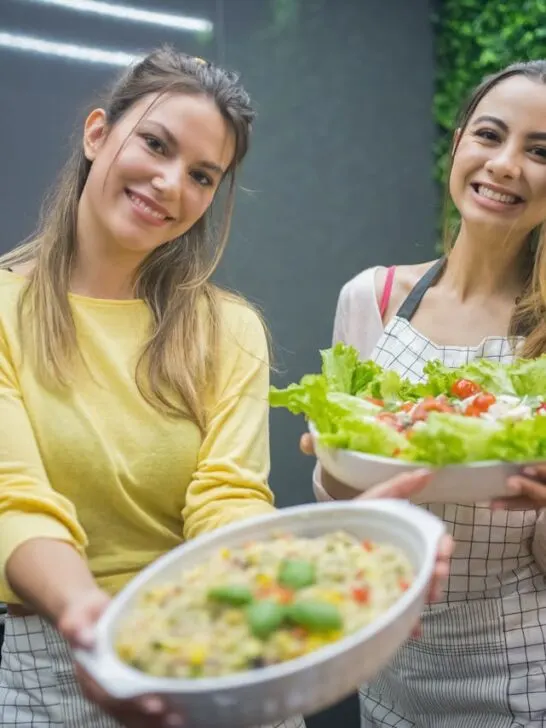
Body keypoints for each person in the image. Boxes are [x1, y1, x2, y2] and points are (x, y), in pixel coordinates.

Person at [0, 48, 450, 728]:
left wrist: (317, 553)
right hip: (56, 665)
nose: (171, 183)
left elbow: (228, 496)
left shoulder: (228, 328)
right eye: (156, 144)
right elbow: (16, 502)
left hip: (226, 635)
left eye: (203, 175)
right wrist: (91, 618)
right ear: (98, 134)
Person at [305, 60, 546, 727]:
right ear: (459, 139)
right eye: (490, 135)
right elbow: (344, 507)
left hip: (521, 680)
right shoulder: (373, 297)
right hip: (388, 665)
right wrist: (338, 462)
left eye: (540, 151)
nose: (505, 165)